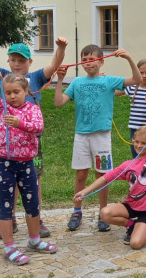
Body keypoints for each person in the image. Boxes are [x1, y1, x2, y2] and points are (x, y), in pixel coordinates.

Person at [0, 36, 67, 239]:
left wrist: (61, 48)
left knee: (34, 181)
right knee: (10, 183)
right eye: (13, 60)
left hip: (32, 144)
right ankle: (9, 219)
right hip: (9, 145)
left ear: (29, 62)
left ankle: (37, 220)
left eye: (22, 60)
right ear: (9, 61)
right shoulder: (4, 76)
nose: (17, 64)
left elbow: (55, 64)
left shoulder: (37, 77)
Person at [55, 45, 141, 231]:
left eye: (92, 59)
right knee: (81, 174)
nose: (88, 63)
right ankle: (77, 210)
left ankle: (104, 212)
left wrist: (128, 57)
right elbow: (58, 102)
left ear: (101, 61)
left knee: (102, 175)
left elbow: (137, 79)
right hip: (81, 136)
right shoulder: (77, 83)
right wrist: (60, 79)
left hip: (101, 136)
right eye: (84, 59)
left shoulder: (109, 81)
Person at [0, 70, 56, 265]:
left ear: (26, 91)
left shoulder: (33, 109)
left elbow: (38, 127)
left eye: (16, 92)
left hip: (27, 164)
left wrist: (19, 123)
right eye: (8, 92)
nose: (12, 96)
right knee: (6, 206)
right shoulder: (0, 107)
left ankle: (34, 240)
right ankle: (9, 248)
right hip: (4, 164)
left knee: (32, 204)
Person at [74, 114, 146, 249]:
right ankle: (132, 225)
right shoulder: (127, 165)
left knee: (135, 244)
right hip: (131, 206)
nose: (139, 145)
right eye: (136, 141)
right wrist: (84, 191)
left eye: (143, 143)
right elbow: (104, 178)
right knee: (105, 213)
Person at [116, 58, 146, 157]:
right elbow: (114, 93)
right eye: (141, 73)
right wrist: (101, 81)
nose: (144, 76)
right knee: (136, 157)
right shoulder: (131, 88)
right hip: (135, 130)